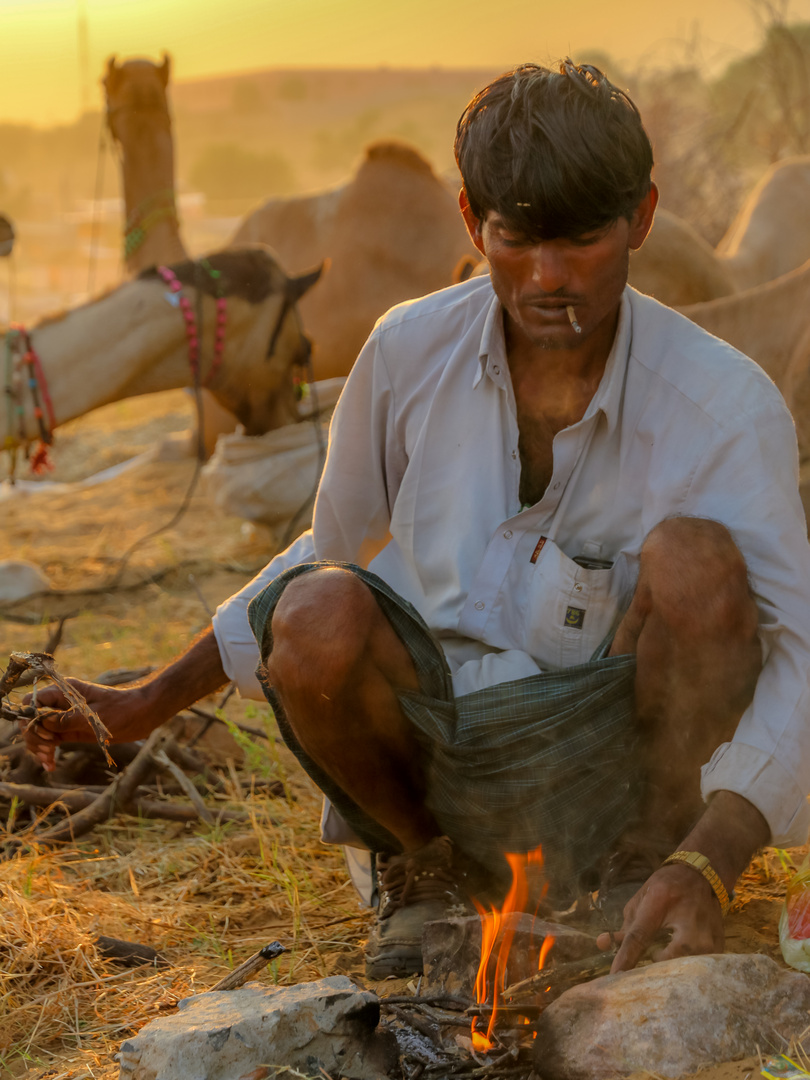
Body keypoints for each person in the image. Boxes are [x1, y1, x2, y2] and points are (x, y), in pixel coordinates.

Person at [23, 61, 810, 980]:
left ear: (641, 217)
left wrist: (708, 859)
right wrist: (149, 700)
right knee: (315, 615)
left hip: (625, 761)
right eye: (518, 238)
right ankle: (426, 876)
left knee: (698, 563)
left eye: (585, 238)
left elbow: (798, 651)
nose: (550, 278)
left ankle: (642, 873)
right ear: (474, 222)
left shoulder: (725, 406)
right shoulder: (405, 353)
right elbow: (328, 553)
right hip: (436, 762)